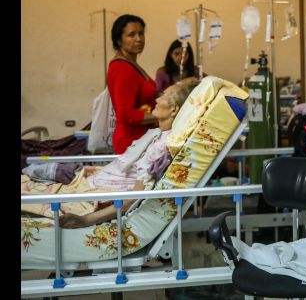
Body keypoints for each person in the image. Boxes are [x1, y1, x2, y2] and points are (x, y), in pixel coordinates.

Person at [21, 78, 200, 228]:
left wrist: (85, 220)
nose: (157, 99)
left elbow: (135, 197)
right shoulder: (159, 135)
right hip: (90, 181)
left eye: (164, 95)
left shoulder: (161, 147)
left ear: (174, 109)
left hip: (94, 191)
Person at [108, 14, 157, 154]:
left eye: (141, 33)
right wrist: (162, 116)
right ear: (119, 40)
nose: (139, 39)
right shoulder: (122, 69)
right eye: (132, 35)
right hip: (132, 142)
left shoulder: (132, 65)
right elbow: (125, 114)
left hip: (141, 139)